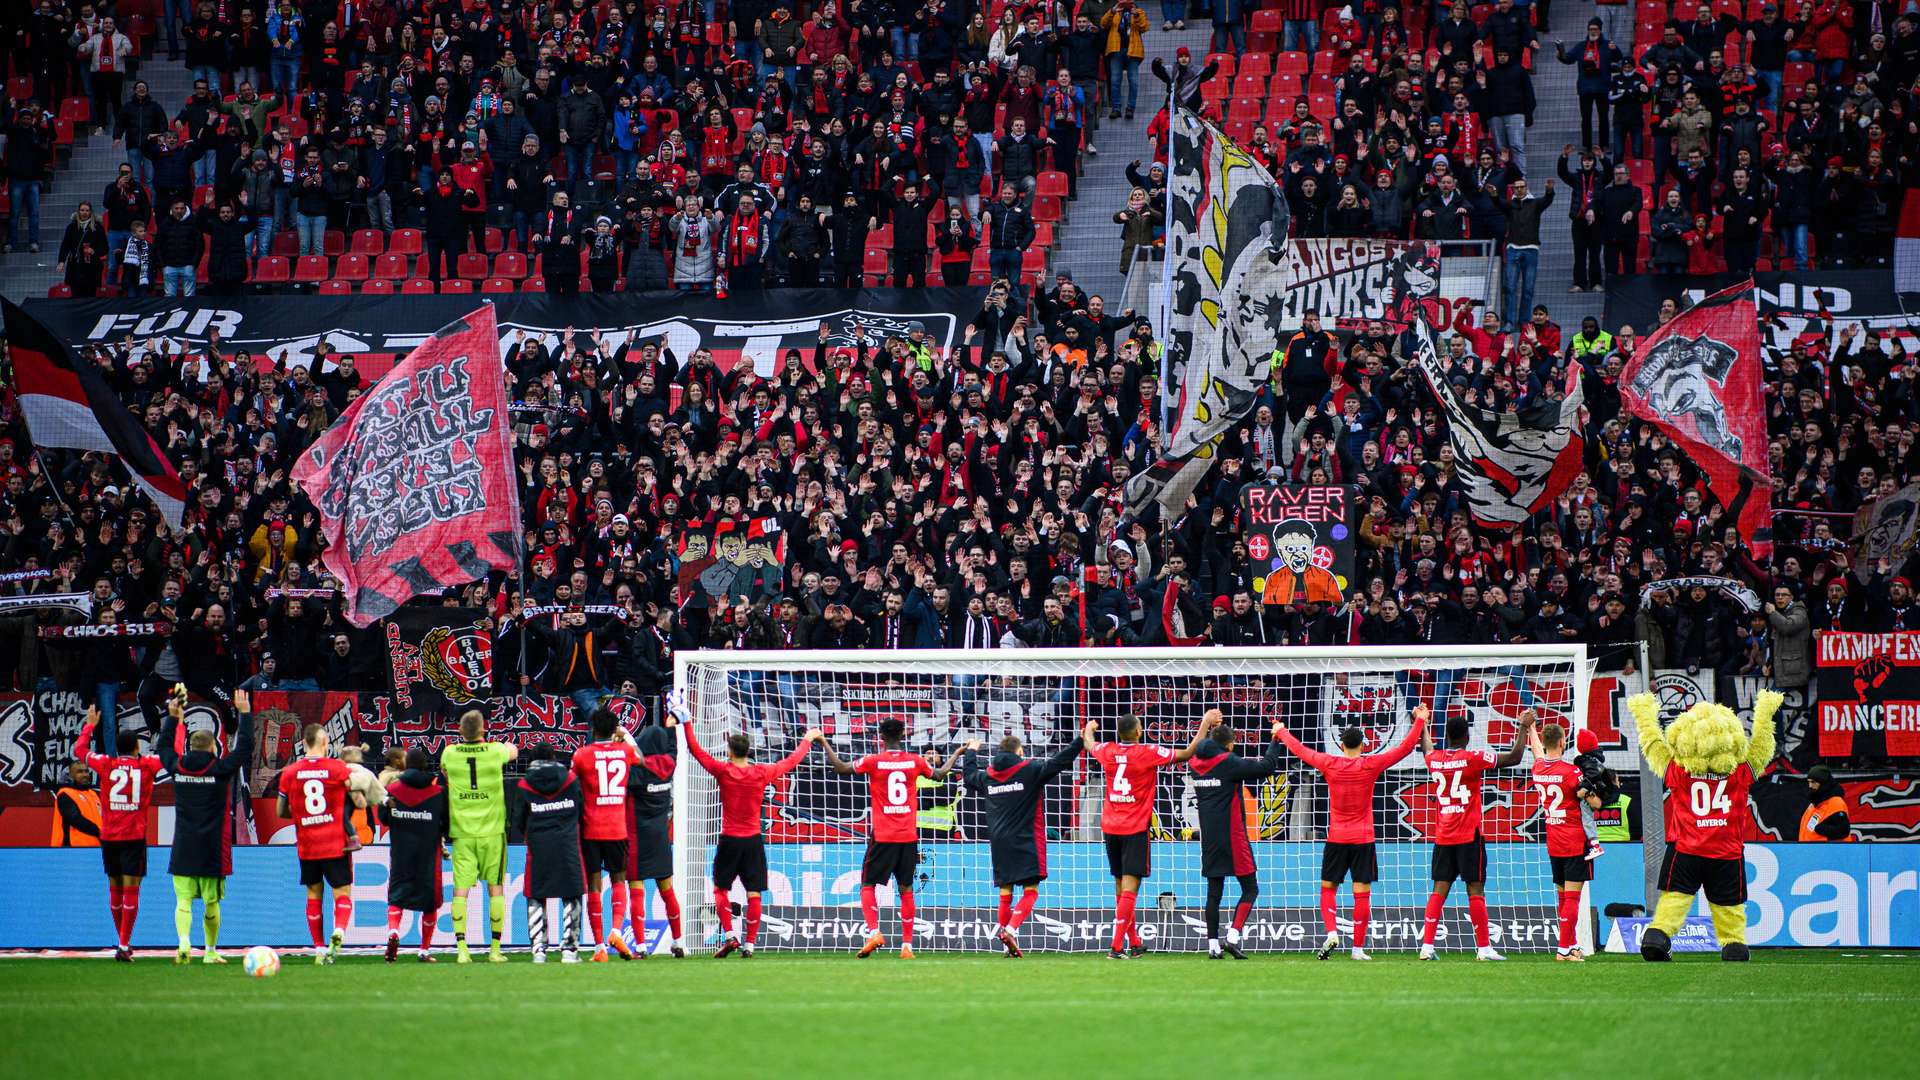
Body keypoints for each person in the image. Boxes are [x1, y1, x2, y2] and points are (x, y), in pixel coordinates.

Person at [674, 689, 820, 957]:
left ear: (729, 751)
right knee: (754, 894)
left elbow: (696, 751)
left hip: (729, 839)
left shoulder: (723, 770)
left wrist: (686, 723)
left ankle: (730, 934)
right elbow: (790, 762)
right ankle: (750, 944)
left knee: (721, 888)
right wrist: (807, 740)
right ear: (748, 751)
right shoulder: (761, 773)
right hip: (753, 840)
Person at [1273, 705, 1426, 960]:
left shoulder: (1330, 764)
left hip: (1337, 838)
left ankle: (1332, 931)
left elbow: (1301, 751)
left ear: (1341, 745)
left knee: (1328, 889)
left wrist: (1281, 731)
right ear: (1363, 745)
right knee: (1361, 893)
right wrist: (1420, 721)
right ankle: (1357, 949)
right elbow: (1405, 748)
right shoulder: (1371, 764)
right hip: (1363, 839)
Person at [816, 717, 968, 959]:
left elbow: (841, 768)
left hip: (883, 835)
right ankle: (907, 946)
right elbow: (939, 775)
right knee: (906, 888)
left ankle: (874, 931)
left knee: (868, 884)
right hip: (907, 835)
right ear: (904, 735)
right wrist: (957, 753)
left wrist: (824, 742)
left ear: (881, 737)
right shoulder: (915, 761)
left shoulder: (873, 761)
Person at [1086, 711, 1209, 959]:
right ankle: (1116, 947)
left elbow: (1089, 743)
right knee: (1131, 886)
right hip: (1134, 827)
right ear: (1139, 732)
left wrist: (1089, 727)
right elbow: (1186, 753)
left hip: (1110, 827)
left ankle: (1134, 941)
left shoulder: (1107, 750)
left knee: (1120, 886)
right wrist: (1204, 722)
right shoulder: (1148, 752)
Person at [959, 727, 1086, 957]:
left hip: (999, 842)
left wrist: (971, 752)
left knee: (1005, 891)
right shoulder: (1030, 770)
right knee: (1031, 890)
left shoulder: (987, 776)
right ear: (1019, 751)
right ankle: (1010, 929)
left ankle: (1007, 942)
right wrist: (1079, 740)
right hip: (1026, 839)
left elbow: (968, 776)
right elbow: (1059, 762)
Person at [1416, 709, 1531, 961]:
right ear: (1467, 736)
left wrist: (1422, 724)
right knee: (1475, 888)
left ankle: (1427, 947)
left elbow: (1425, 748)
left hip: (1443, 836)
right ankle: (1483, 948)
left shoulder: (1434, 759)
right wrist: (1523, 727)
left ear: (1446, 736)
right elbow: (1514, 757)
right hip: (1469, 835)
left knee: (1439, 890)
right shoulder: (1473, 758)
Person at [156, 687, 255, 964]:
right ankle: (210, 952)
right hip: (212, 847)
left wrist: (173, 718)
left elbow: (163, 748)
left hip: (184, 845)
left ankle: (184, 943)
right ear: (213, 748)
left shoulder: (178, 767)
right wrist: (244, 715)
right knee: (212, 903)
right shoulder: (220, 769)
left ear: (191, 747)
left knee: (183, 901)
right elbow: (245, 748)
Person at [1188, 709, 1286, 960]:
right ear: (1229, 744)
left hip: (1209, 839)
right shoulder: (1228, 763)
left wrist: (1207, 727)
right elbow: (1266, 767)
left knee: (1214, 891)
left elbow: (1200, 748)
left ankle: (1212, 946)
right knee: (1250, 888)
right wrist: (1275, 740)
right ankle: (1232, 937)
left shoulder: (1195, 765)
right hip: (1233, 836)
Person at [273, 722, 365, 964]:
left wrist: (303, 813)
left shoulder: (290, 772)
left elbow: (281, 811)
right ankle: (339, 932)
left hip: (307, 844)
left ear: (304, 743)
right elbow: (358, 799)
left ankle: (319, 948)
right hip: (335, 843)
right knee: (342, 894)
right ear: (325, 743)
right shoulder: (337, 768)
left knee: (314, 893)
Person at [75, 705, 162, 962]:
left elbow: (80, 751)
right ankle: (124, 943)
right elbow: (173, 756)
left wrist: (89, 725)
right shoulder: (146, 765)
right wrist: (177, 722)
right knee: (132, 889)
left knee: (114, 889)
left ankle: (122, 942)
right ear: (137, 747)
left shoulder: (105, 763)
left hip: (109, 835)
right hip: (134, 836)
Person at [438, 709, 519, 963]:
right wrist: (505, 744)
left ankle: (462, 950)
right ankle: (495, 950)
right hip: (492, 832)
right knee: (495, 889)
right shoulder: (495, 751)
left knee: (460, 891)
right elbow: (514, 751)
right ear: (484, 730)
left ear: (460, 732)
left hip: (462, 833)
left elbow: (444, 772)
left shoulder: (449, 753)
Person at [569, 707, 644, 961]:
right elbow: (641, 758)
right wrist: (626, 734)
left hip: (591, 828)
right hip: (617, 828)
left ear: (592, 729)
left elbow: (570, 781)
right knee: (619, 880)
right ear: (614, 731)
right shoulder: (624, 752)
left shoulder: (581, 755)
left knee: (594, 885)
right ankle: (616, 930)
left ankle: (600, 946)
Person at [1529, 723, 1603, 962]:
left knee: (1563, 897)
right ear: (1562, 742)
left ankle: (1571, 945)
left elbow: (1537, 751)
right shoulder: (1571, 772)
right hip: (1574, 840)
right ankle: (1562, 950)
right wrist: (1593, 792)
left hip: (1554, 840)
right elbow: (1595, 804)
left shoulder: (1537, 768)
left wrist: (1529, 727)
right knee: (1573, 898)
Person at [513, 748, 587, 963]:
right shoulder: (570, 780)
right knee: (571, 894)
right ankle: (569, 950)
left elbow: (518, 820)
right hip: (567, 843)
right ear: (554, 759)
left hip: (538, 845)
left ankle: (538, 950)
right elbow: (581, 809)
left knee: (536, 894)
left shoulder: (524, 784)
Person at [623, 714, 686, 958]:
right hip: (661, 838)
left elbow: (627, 763)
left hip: (638, 838)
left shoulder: (637, 771)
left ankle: (640, 946)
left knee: (637, 891)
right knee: (667, 891)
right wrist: (671, 728)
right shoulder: (668, 765)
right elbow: (673, 750)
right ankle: (678, 941)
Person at [379, 747, 448, 963]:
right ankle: (424, 950)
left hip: (401, 851)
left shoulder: (393, 789)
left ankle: (393, 931)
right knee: (430, 902)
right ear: (425, 765)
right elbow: (446, 822)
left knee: (397, 896)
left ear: (406, 765)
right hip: (428, 853)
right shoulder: (438, 792)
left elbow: (384, 818)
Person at [1571, 728, 1620, 860]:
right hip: (1604, 792)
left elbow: (1592, 776)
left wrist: (1583, 788)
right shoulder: (1593, 760)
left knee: (1585, 814)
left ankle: (1595, 844)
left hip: (1601, 793)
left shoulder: (1588, 761)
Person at [1800, 765, 1852, 841]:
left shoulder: (1836, 802)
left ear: (1823, 782)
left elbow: (1843, 831)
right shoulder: (1815, 802)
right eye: (1809, 782)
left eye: (1813, 782)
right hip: (1810, 850)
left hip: (1829, 851)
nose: (1810, 786)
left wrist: (1823, 829)